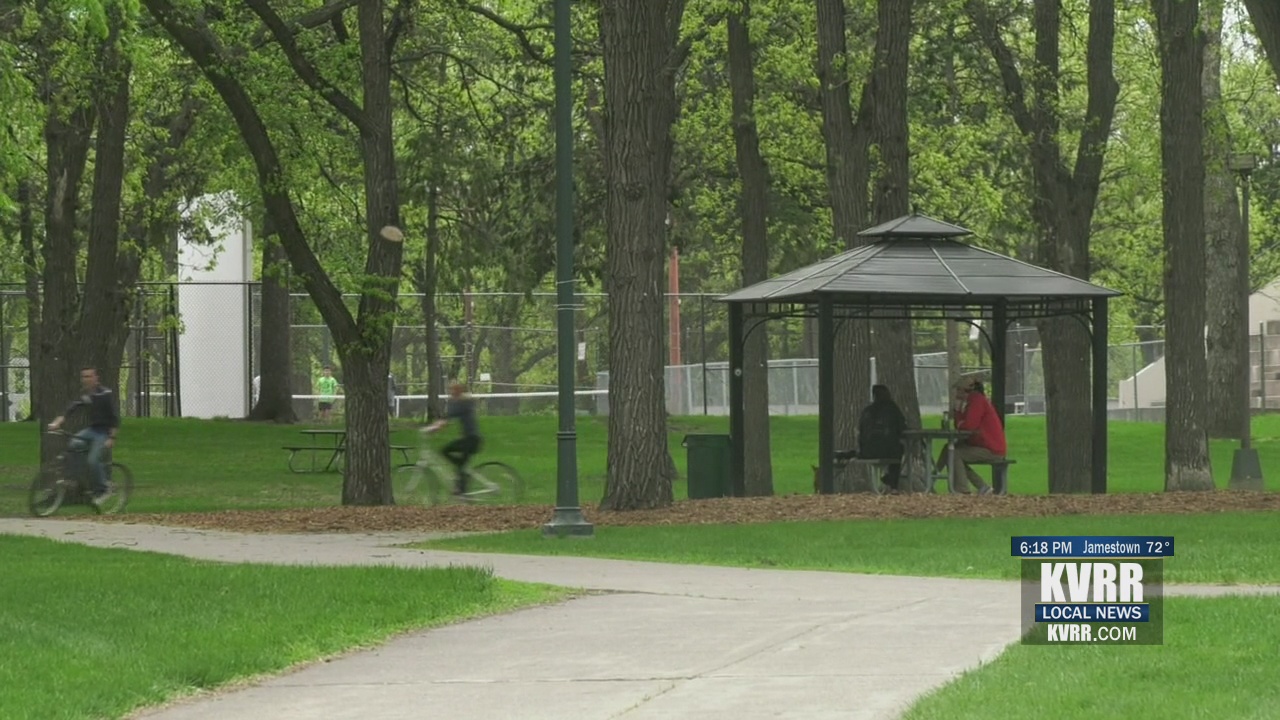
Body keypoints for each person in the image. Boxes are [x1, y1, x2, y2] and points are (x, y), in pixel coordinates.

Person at [47, 366, 120, 507]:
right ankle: (73, 476)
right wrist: (58, 421)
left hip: (103, 433)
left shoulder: (104, 394)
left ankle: (104, 489)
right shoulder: (86, 395)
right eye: (84, 377)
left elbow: (114, 418)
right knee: (74, 444)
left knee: (93, 460)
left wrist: (112, 437)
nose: (86, 380)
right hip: (91, 430)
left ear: (96, 378)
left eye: (89, 376)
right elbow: (72, 408)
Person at [937, 376, 1007, 495]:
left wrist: (960, 421)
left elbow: (969, 425)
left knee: (955, 453)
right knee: (948, 449)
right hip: (982, 445)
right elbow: (960, 424)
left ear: (965, 390)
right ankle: (930, 477)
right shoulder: (971, 401)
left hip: (991, 449)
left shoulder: (977, 400)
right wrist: (958, 410)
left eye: (958, 390)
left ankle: (962, 490)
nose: (956, 393)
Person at [424, 383, 482, 496]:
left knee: (445, 451)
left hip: (471, 439)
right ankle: (462, 481)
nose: (450, 392)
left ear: (458, 391)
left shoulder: (462, 403)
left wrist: (432, 428)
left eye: (452, 390)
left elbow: (446, 419)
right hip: (471, 439)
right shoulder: (464, 402)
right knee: (458, 461)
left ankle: (461, 484)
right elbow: (447, 418)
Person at [853, 384, 908, 492]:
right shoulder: (892, 408)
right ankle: (893, 485)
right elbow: (902, 427)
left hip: (866, 452)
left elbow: (860, 431)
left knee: (894, 448)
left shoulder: (867, 411)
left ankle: (888, 477)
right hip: (887, 451)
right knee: (899, 449)